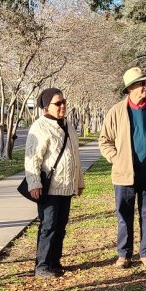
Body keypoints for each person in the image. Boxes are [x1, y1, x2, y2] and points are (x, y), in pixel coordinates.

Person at [98, 67, 146, 269]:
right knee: (124, 214)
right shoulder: (116, 112)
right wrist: (116, 158)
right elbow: (104, 141)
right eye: (141, 84)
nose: (145, 87)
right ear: (130, 88)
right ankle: (124, 254)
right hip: (124, 173)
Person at [24, 88, 84, 278]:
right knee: (48, 225)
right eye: (58, 103)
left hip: (66, 187)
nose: (62, 106)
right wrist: (34, 183)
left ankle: (54, 262)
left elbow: (75, 156)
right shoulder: (39, 127)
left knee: (61, 225)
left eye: (64, 101)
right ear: (46, 107)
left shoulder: (68, 125)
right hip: (49, 187)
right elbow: (32, 158)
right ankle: (42, 265)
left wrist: (79, 181)